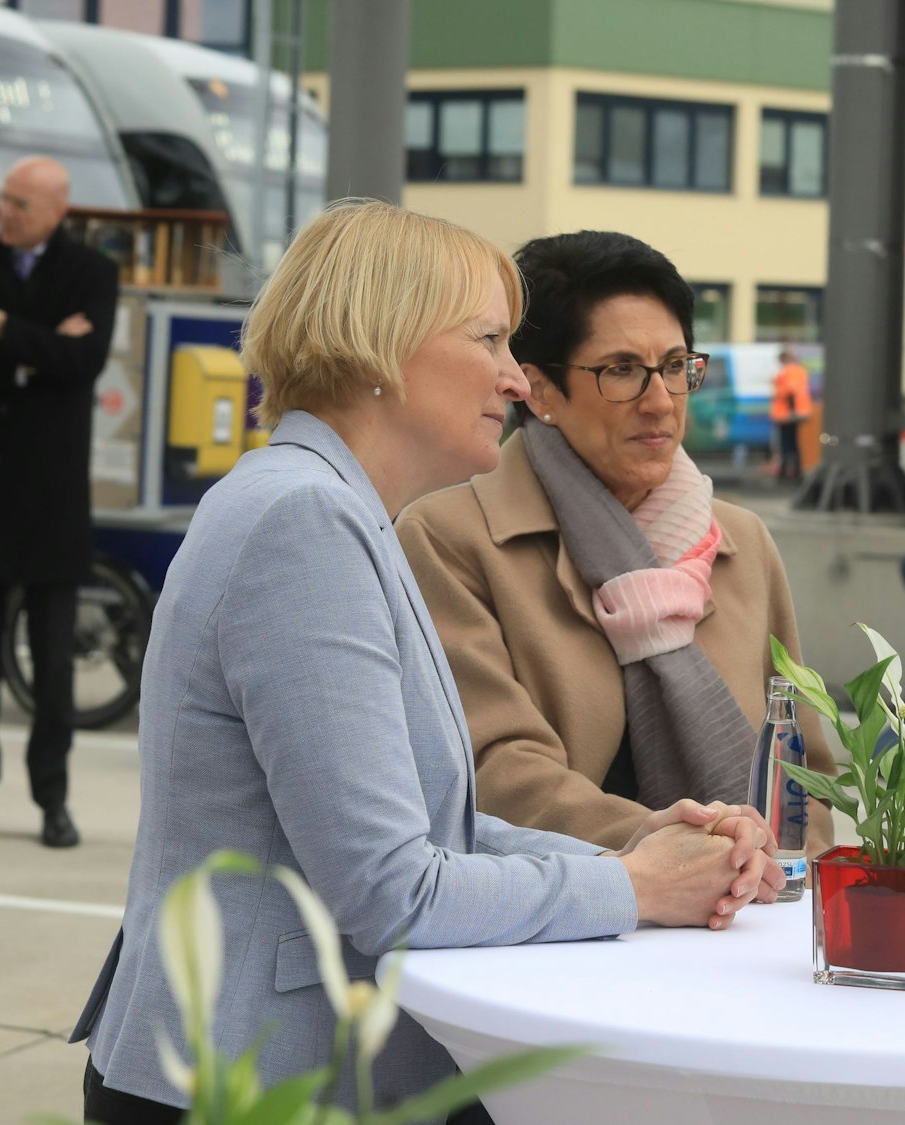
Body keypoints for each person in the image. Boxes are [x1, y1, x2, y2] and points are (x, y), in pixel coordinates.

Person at [70, 201, 782, 1123]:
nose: (513, 379)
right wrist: (635, 883)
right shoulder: (306, 522)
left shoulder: (331, 509)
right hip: (251, 1079)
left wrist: (644, 842)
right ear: (379, 347)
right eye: (488, 338)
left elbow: (431, 829)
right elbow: (394, 889)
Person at [398, 231, 836, 852]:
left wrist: (766, 864)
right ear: (540, 389)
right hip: (559, 919)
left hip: (746, 915)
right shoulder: (449, 539)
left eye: (677, 367)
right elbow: (493, 770)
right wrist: (673, 852)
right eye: (622, 371)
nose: (660, 402)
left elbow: (805, 771)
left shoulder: (741, 543)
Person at [0, 156, 119, 849]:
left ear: (56, 211)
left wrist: (3, 329)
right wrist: (37, 348)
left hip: (49, 499)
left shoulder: (92, 274)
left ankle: (52, 801)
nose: (5, 212)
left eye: (20, 205)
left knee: (53, 663)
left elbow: (82, 364)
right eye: (3, 200)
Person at [769, 347, 811, 483]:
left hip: (787, 415)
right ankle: (795, 471)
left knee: (786, 445)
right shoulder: (800, 371)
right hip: (796, 413)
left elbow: (790, 391)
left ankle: (786, 473)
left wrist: (791, 412)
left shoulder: (788, 372)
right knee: (793, 444)